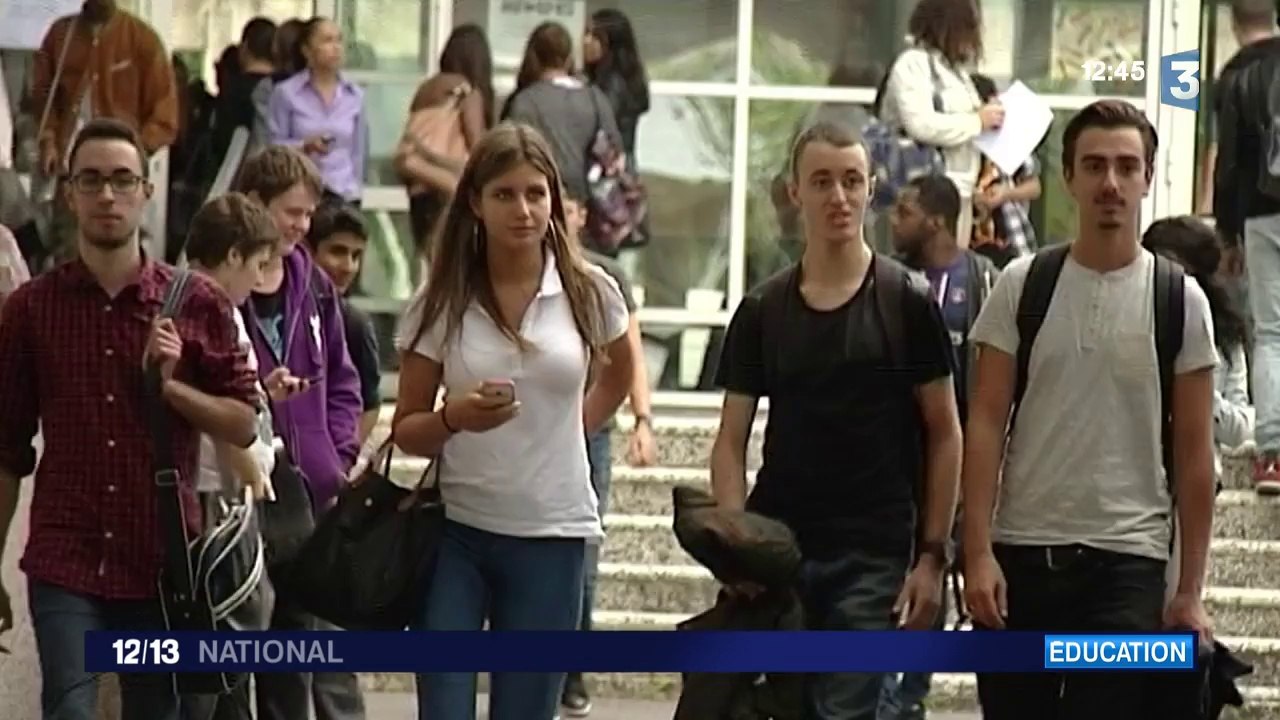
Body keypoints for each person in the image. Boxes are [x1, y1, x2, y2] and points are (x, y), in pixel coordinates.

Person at [962, 101, 1218, 720]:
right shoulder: (1023, 285)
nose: (1110, 182)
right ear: (1070, 178)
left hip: (1128, 563)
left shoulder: (1180, 301)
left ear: (1148, 179)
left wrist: (1188, 590)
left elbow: (1193, 453)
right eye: (1095, 166)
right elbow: (986, 424)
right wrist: (975, 553)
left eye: (1127, 167)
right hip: (1023, 555)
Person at [0, 117, 259, 720]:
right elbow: (8, 451)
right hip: (67, 557)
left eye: (121, 180)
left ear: (146, 189)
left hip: (161, 564)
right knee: (69, 709)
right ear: (70, 194)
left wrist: (172, 390)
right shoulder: (32, 310)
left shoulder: (197, 302)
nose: (107, 195)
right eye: (90, 181)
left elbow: (244, 422)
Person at [710, 121, 962, 720]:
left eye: (852, 181)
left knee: (845, 710)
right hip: (783, 550)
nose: (839, 197)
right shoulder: (763, 309)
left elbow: (946, 431)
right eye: (821, 182)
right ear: (795, 192)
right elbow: (729, 442)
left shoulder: (906, 301)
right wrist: (735, 545)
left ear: (871, 188)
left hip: (874, 556)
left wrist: (932, 556)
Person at [392, 122, 634, 720]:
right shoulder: (442, 299)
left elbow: (622, 374)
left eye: (536, 193)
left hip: (553, 534)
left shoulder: (588, 290)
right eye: (504, 194)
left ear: (555, 200)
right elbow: (407, 428)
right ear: (474, 201)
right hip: (457, 533)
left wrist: (571, 431)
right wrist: (454, 418)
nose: (522, 210)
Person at [231, 145, 365, 720]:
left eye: (308, 214)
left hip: (308, 496)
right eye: (292, 212)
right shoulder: (218, 282)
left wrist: (336, 456)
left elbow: (343, 381)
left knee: (303, 651)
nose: (302, 226)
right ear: (253, 205)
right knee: (241, 650)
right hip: (239, 494)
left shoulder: (314, 287)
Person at [880, 174, 996, 719]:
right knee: (893, 570)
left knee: (939, 565)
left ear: (937, 219)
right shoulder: (888, 281)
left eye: (904, 210)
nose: (893, 221)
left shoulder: (983, 282)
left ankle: (911, 692)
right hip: (895, 458)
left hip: (961, 456)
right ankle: (882, 687)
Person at [560, 194, 657, 717]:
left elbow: (630, 354)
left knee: (585, 556)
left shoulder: (606, 275)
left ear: (581, 215)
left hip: (592, 430)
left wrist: (642, 420)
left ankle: (573, 670)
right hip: (530, 432)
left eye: (570, 206)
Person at [31, 0, 180, 263]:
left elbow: (165, 116)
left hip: (124, 182)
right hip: (72, 176)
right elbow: (42, 100)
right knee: (69, 259)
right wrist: (49, 141)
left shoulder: (142, 39)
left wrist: (132, 156)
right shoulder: (60, 36)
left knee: (123, 258)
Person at [1211, 0, 1280, 494]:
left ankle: (1273, 457)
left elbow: (1231, 162)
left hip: (1262, 212)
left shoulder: (1241, 75)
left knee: (1272, 332)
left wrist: (1227, 231)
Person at [877, 0, 1003, 247]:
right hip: (922, 197)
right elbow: (920, 124)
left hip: (961, 193)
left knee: (952, 272)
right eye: (969, 28)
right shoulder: (913, 64)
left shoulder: (957, 73)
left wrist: (990, 115)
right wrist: (977, 121)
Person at [501, 22, 623, 254]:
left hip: (537, 200)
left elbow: (509, 156)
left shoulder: (525, 101)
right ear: (569, 57)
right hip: (583, 203)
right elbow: (613, 153)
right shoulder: (594, 98)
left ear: (533, 55)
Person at [400, 24, 494, 254]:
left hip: (419, 188)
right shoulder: (465, 91)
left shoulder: (426, 89)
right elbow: (478, 146)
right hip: (446, 188)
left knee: (432, 262)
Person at [268, 16, 368, 207]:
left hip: (344, 193)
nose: (336, 47)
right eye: (327, 41)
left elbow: (359, 152)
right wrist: (303, 145)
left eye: (339, 40)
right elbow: (273, 148)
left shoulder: (354, 96)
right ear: (306, 50)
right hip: (300, 194)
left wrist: (357, 189)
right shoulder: (286, 93)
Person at [305, 201, 383, 444]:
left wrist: (343, 457)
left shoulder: (354, 323)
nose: (348, 266)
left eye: (356, 256)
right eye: (337, 251)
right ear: (309, 251)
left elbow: (369, 405)